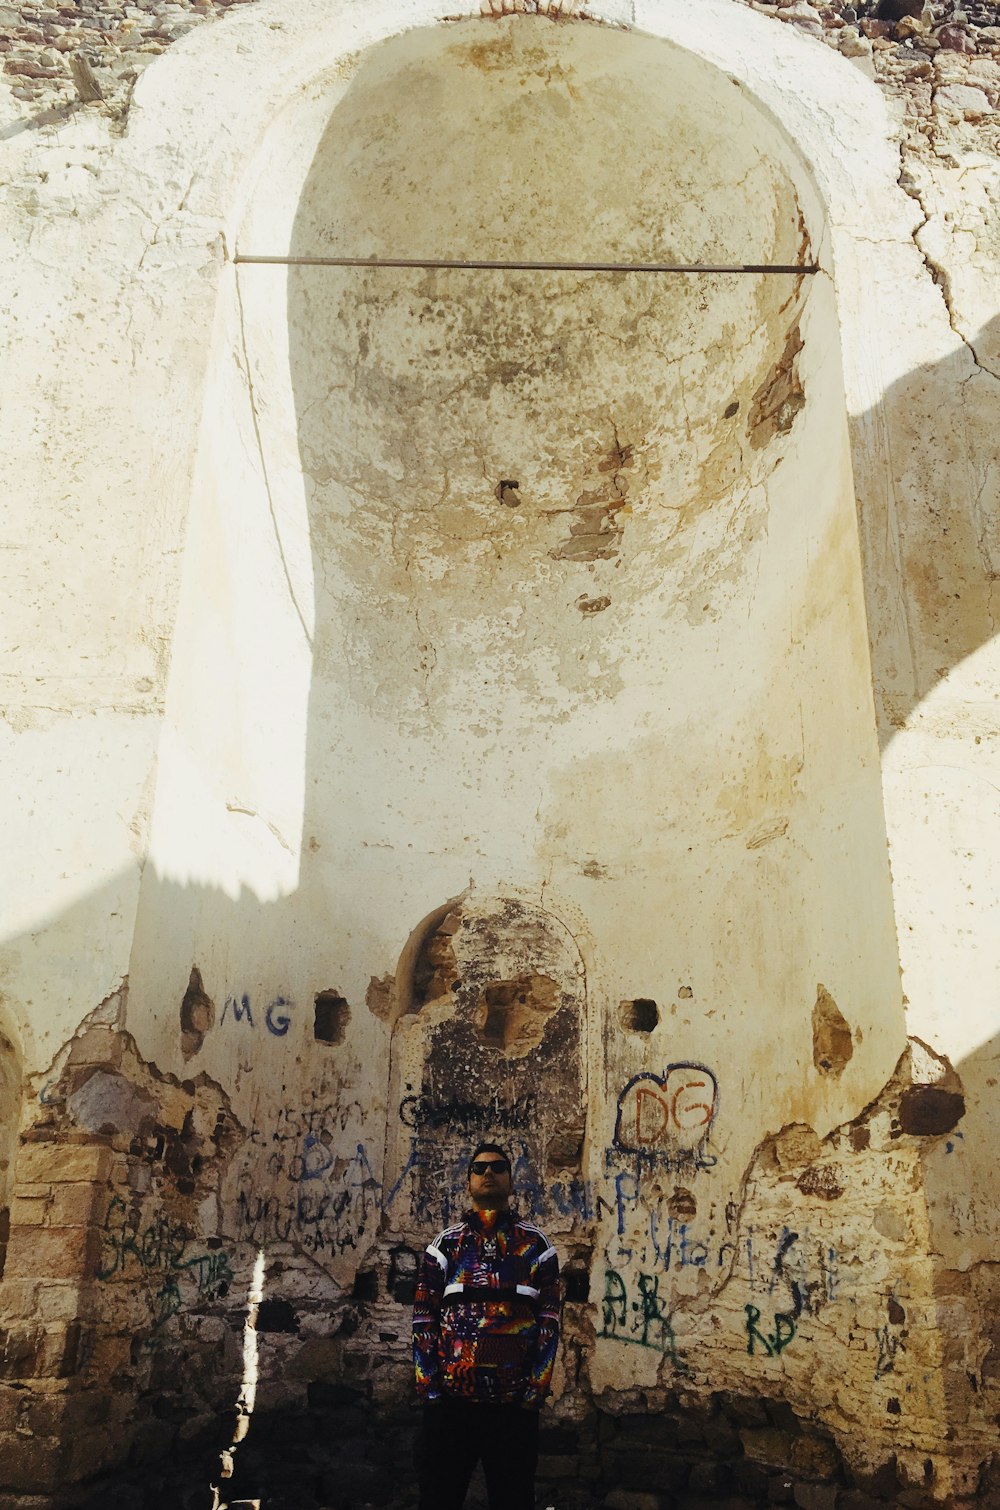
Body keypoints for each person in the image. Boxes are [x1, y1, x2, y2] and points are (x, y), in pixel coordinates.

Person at [412, 1141, 561, 1510]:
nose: (488, 1174)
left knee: (513, 1499)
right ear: (468, 1183)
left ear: (512, 1182)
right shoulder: (445, 1247)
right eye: (479, 1169)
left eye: (497, 1168)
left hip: (513, 1408)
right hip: (451, 1407)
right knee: (440, 1497)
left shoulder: (537, 1247)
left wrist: (534, 1393)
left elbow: (550, 1322)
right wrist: (430, 1391)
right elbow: (423, 1320)